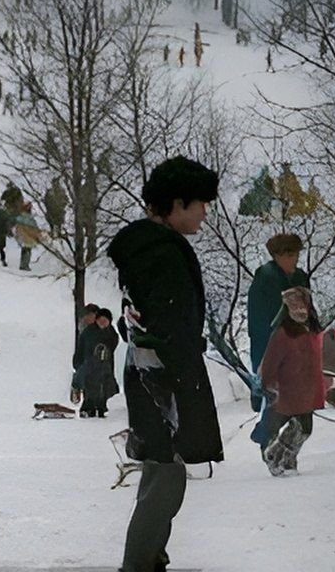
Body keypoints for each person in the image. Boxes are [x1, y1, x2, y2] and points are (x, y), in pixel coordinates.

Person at [107, 156, 222, 572]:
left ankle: (148, 558)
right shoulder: (163, 255)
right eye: (200, 205)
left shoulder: (146, 248)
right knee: (164, 481)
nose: (205, 214)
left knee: (161, 477)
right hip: (163, 383)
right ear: (176, 204)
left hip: (147, 375)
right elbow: (172, 328)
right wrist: (186, 383)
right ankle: (139, 564)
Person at [246, 232, 312, 442]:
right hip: (273, 343)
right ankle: (266, 438)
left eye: (295, 254)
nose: (292, 259)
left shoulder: (300, 276)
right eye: (287, 254)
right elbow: (259, 318)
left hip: (298, 344)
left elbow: (307, 310)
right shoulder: (266, 277)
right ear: (276, 255)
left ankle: (274, 439)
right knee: (278, 396)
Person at [257, 286, 325, 475]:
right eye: (293, 306)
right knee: (302, 428)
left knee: (304, 429)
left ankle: (286, 460)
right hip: (289, 388)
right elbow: (270, 362)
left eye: (301, 305)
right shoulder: (283, 333)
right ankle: (276, 456)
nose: (298, 310)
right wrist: (268, 385)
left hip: (308, 388)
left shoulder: (312, 330)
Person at [72, 308, 120, 417]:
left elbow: (113, 344)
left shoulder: (111, 333)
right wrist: (77, 364)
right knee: (91, 388)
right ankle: (88, 409)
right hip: (90, 367)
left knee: (106, 388)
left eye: (105, 320)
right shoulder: (88, 332)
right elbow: (80, 349)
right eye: (101, 320)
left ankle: (104, 408)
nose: (103, 322)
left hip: (105, 368)